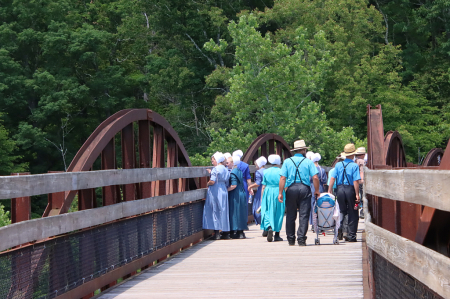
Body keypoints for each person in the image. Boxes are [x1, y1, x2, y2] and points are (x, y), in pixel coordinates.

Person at [279, 140, 319, 246]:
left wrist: (280, 193)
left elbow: (283, 178)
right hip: (304, 188)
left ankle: (291, 239)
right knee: (304, 215)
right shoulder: (308, 162)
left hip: (291, 189)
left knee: (290, 215)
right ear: (304, 150)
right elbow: (315, 177)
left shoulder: (287, 161)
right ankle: (301, 239)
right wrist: (317, 190)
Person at [328, 144, 361, 242]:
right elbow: (355, 181)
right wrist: (357, 194)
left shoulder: (338, 165)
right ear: (353, 154)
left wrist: (329, 190)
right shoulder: (354, 165)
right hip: (350, 189)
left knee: (341, 211)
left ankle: (339, 231)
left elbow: (332, 178)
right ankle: (351, 235)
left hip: (340, 189)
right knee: (353, 212)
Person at [203, 152, 230, 240]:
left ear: (217, 160)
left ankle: (217, 233)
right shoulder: (226, 169)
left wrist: (208, 183)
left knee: (215, 210)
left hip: (215, 190)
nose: (212, 162)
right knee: (223, 210)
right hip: (223, 189)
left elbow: (213, 181)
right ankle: (225, 232)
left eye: (213, 160)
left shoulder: (215, 169)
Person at [261, 154, 285, 242]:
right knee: (279, 211)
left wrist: (262, 196)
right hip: (279, 190)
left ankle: (269, 227)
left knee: (267, 210)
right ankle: (277, 234)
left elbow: (263, 185)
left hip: (268, 191)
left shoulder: (266, 171)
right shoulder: (281, 171)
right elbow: (284, 183)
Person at [227, 155, 248, 239]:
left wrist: (226, 190)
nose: (226, 164)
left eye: (228, 163)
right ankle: (241, 232)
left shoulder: (233, 172)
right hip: (242, 192)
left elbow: (233, 185)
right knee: (241, 212)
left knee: (235, 212)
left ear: (233, 163)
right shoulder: (239, 170)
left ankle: (236, 231)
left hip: (236, 193)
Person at [247, 156, 267, 228]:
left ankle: (262, 223)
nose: (256, 166)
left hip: (261, 190)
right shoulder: (266, 170)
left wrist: (250, 186)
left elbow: (258, 183)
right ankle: (267, 224)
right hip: (267, 190)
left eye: (256, 164)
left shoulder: (258, 172)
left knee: (258, 208)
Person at [309, 153, 328, 229]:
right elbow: (324, 181)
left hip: (311, 187)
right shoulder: (322, 170)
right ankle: (320, 223)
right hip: (320, 188)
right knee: (320, 205)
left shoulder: (310, 169)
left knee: (312, 205)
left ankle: (313, 223)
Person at [233, 150, 252, 214]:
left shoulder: (232, 164)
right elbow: (248, 178)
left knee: (235, 203)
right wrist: (250, 187)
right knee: (244, 203)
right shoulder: (245, 165)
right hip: (243, 184)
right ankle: (244, 220)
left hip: (234, 183)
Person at [354, 147, 366, 219]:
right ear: (363, 154)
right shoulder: (362, 161)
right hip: (360, 180)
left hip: (354, 181)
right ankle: (362, 211)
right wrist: (362, 181)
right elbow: (361, 171)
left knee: (357, 195)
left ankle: (356, 206)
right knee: (363, 195)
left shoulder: (355, 161)